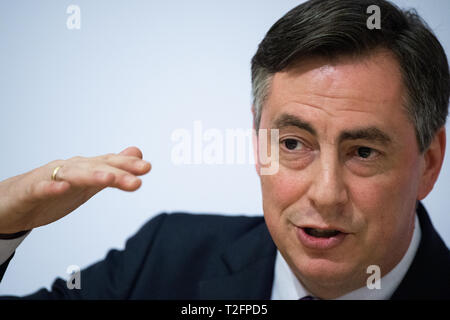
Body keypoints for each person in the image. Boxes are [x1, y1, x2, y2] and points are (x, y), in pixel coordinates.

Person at [0, 0, 449, 299]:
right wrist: (4, 221)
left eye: (363, 152)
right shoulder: (165, 259)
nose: (326, 193)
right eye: (293, 144)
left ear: (428, 163)